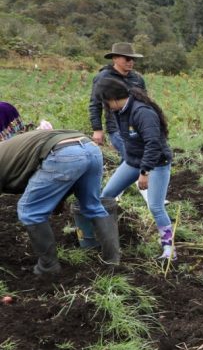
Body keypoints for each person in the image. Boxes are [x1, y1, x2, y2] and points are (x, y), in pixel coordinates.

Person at [0, 103, 120, 274]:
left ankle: (48, 267)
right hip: (89, 147)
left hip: (63, 153)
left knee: (29, 211)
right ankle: (112, 261)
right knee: (92, 206)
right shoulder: (11, 150)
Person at [97, 79, 176, 260]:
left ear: (113, 98)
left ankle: (169, 249)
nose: (106, 106)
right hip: (133, 160)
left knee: (156, 206)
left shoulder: (142, 112)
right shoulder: (120, 110)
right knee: (106, 196)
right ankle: (108, 237)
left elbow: (153, 144)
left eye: (106, 102)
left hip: (156, 163)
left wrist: (144, 172)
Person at [89, 42, 147, 160]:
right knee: (133, 159)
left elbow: (145, 101)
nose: (130, 62)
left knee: (131, 160)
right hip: (117, 127)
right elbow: (95, 104)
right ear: (115, 58)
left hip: (136, 126)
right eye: (127, 58)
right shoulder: (104, 77)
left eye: (132, 59)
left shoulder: (137, 78)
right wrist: (97, 129)